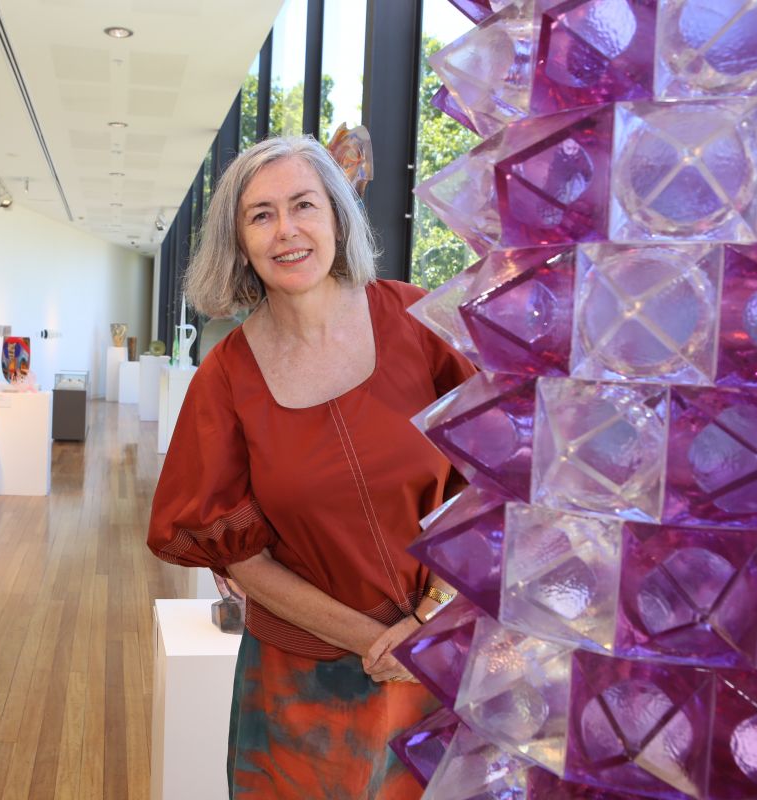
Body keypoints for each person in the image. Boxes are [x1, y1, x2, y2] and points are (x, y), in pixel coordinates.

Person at [146, 135, 474, 799]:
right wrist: (379, 641)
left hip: (442, 658)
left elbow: (492, 477)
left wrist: (430, 620)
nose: (286, 231)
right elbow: (238, 555)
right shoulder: (225, 378)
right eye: (261, 215)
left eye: (303, 205)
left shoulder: (419, 322)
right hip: (301, 684)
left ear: (337, 216)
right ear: (238, 243)